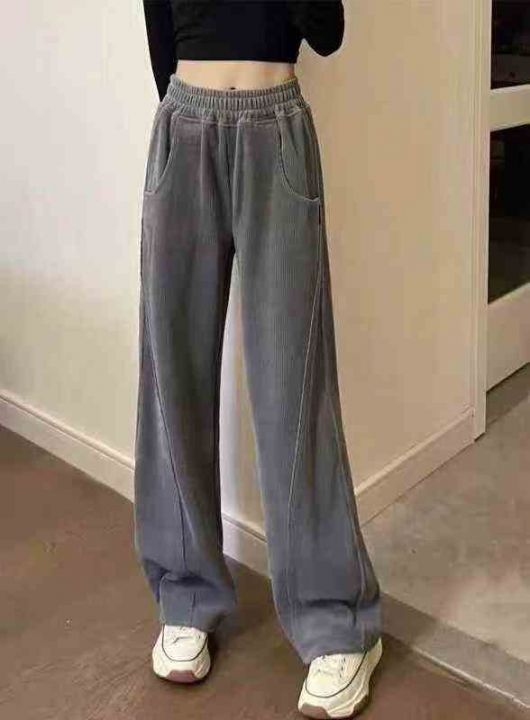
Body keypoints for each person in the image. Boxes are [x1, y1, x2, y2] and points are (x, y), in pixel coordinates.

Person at [134, 2, 383, 717]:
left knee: (292, 386)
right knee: (173, 371)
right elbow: (161, 41)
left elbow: (327, 32)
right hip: (185, 126)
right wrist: (195, 124)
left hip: (276, 130)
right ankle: (186, 595)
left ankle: (336, 619)